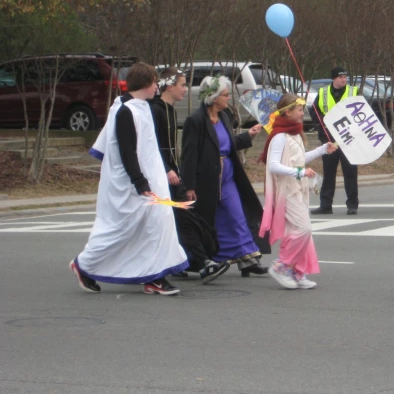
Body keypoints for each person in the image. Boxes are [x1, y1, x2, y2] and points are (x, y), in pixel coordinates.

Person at [70, 62, 188, 296]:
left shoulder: (142, 107)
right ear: (145, 84)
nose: (157, 86)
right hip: (133, 185)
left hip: (151, 182)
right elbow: (127, 151)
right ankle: (84, 265)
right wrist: (140, 182)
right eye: (155, 82)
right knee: (121, 229)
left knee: (158, 222)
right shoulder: (126, 111)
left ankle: (155, 276)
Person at [180, 75, 270, 278]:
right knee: (213, 221)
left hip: (227, 175)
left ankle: (248, 259)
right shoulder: (195, 121)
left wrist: (248, 136)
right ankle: (203, 260)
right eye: (225, 95)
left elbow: (228, 144)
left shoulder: (225, 116)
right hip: (206, 180)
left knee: (237, 215)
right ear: (213, 97)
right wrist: (189, 186)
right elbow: (188, 155)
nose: (228, 98)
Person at [148, 67, 230, 284]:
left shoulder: (171, 110)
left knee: (184, 218)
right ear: (170, 85)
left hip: (172, 175)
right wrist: (167, 168)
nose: (186, 89)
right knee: (183, 217)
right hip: (162, 175)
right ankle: (201, 262)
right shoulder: (155, 110)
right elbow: (152, 145)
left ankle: (194, 260)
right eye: (183, 84)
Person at [258, 94, 338, 289]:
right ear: (288, 111)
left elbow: (300, 158)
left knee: (302, 232)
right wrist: (299, 172)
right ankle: (281, 265)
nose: (303, 113)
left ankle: (296, 270)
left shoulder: (295, 133)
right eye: (300, 110)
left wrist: (321, 150)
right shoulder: (279, 137)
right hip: (287, 190)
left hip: (299, 188)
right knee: (303, 229)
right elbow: (273, 166)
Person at [309, 66, 360, 215]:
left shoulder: (354, 91)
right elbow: (314, 111)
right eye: (340, 77)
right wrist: (321, 126)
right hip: (329, 138)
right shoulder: (323, 92)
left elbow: (363, 111)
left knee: (350, 172)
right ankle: (325, 205)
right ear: (334, 79)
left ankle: (352, 205)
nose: (344, 80)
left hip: (348, 138)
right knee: (328, 172)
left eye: (345, 77)